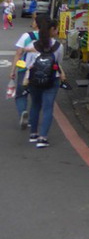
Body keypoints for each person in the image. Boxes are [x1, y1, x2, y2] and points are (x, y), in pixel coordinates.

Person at [23, 14, 64, 148]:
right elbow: (58, 63)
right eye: (56, 29)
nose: (57, 31)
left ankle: (33, 134)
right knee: (48, 108)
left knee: (35, 105)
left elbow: (28, 63)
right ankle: (42, 138)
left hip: (34, 80)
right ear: (52, 30)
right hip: (52, 79)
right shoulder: (58, 46)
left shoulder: (33, 45)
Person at [9, 16, 39, 129]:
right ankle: (32, 119)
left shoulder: (27, 36)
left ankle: (22, 112)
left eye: (34, 20)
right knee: (36, 96)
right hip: (41, 70)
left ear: (37, 23)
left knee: (21, 95)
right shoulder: (47, 37)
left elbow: (18, 53)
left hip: (24, 69)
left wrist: (12, 71)